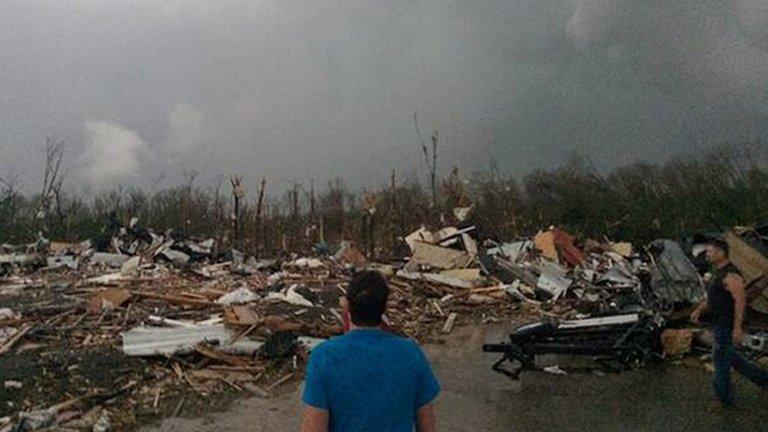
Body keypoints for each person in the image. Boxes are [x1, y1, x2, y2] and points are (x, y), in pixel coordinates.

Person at [300, 270, 440, 432]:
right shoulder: (411, 354)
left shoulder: (324, 357)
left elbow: (314, 428)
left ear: (347, 306)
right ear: (384, 308)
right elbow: (427, 426)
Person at [690, 239, 768, 407]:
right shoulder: (717, 273)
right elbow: (712, 297)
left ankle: (723, 398)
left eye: (710, 252)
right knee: (731, 358)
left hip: (726, 324)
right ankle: (764, 380)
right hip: (717, 322)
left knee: (720, 361)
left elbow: (740, 302)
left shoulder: (731, 275)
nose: (707, 255)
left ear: (721, 253)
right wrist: (699, 310)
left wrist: (737, 328)